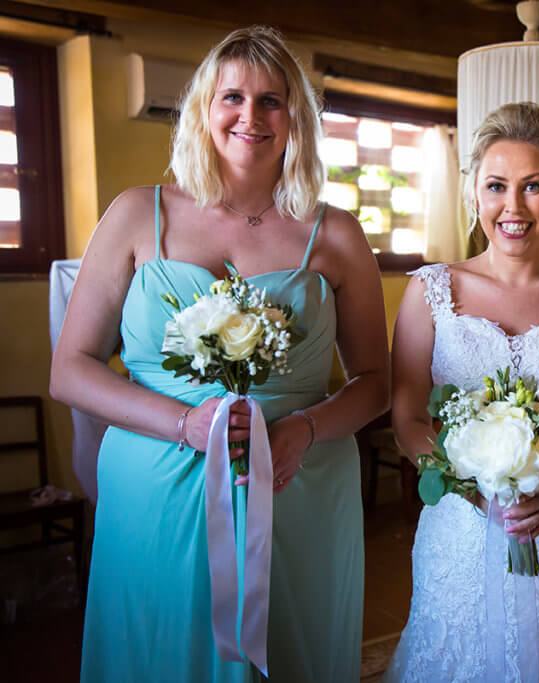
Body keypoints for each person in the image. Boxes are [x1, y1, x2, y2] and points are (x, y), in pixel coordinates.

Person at [50, 26, 389, 682]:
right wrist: (182, 423)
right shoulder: (134, 214)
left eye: (271, 100)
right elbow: (71, 368)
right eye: (232, 96)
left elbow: (376, 382)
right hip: (156, 481)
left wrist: (304, 427)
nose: (251, 116)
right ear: (205, 110)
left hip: (297, 484)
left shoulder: (338, 234)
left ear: (296, 119)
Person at [383, 102, 539, 682]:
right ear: (473, 191)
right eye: (496, 186)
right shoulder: (431, 291)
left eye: (534, 186)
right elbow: (407, 416)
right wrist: (465, 480)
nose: (513, 207)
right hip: (464, 527)